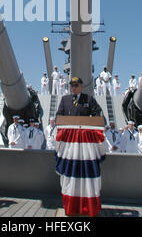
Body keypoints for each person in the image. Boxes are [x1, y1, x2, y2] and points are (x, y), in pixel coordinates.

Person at [55, 76, 105, 217]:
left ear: (81, 86)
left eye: (76, 85)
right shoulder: (64, 100)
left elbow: (97, 114)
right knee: (70, 174)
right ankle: (70, 205)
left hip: (85, 148)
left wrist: (87, 122)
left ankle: (86, 205)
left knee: (86, 174)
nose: (74, 87)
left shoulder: (89, 100)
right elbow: (59, 115)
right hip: (70, 147)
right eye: (72, 85)